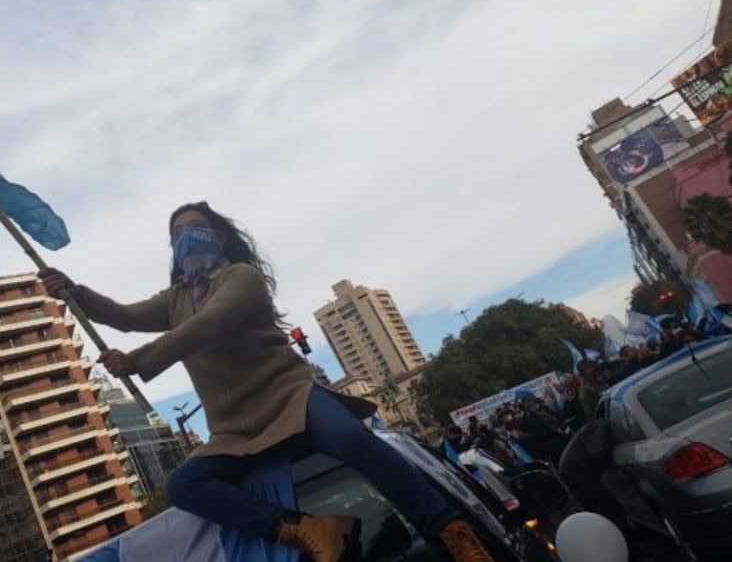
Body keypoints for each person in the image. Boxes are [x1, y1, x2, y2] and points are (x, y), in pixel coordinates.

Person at [38, 202, 494, 562]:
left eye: (194, 226)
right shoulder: (176, 297)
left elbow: (211, 324)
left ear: (218, 235)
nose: (184, 237)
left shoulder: (242, 277)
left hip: (289, 398)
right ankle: (306, 530)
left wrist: (137, 360)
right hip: (235, 430)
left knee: (353, 441)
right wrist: (75, 291)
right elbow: (123, 315)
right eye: (175, 233)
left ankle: (452, 534)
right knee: (184, 487)